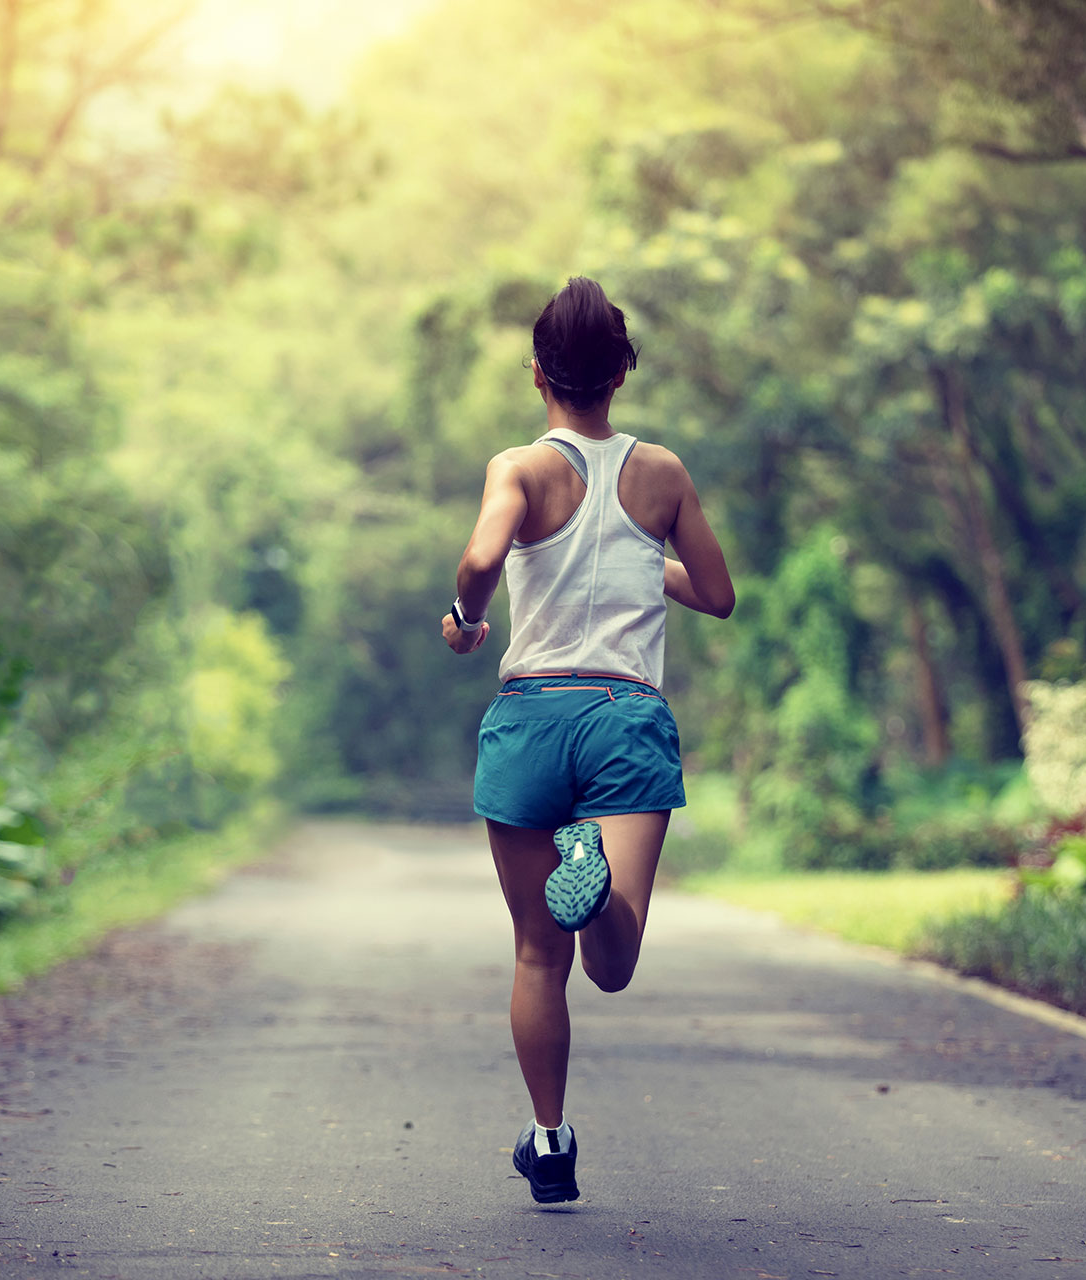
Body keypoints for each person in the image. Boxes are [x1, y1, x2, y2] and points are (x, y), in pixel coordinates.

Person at [440, 277, 734, 1204]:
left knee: (538, 955)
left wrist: (466, 619)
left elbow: (482, 558)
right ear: (622, 372)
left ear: (538, 374)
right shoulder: (663, 474)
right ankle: (595, 885)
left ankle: (551, 1142)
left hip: (531, 718)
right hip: (623, 718)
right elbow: (719, 594)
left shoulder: (519, 469)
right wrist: (648, 560)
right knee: (611, 966)